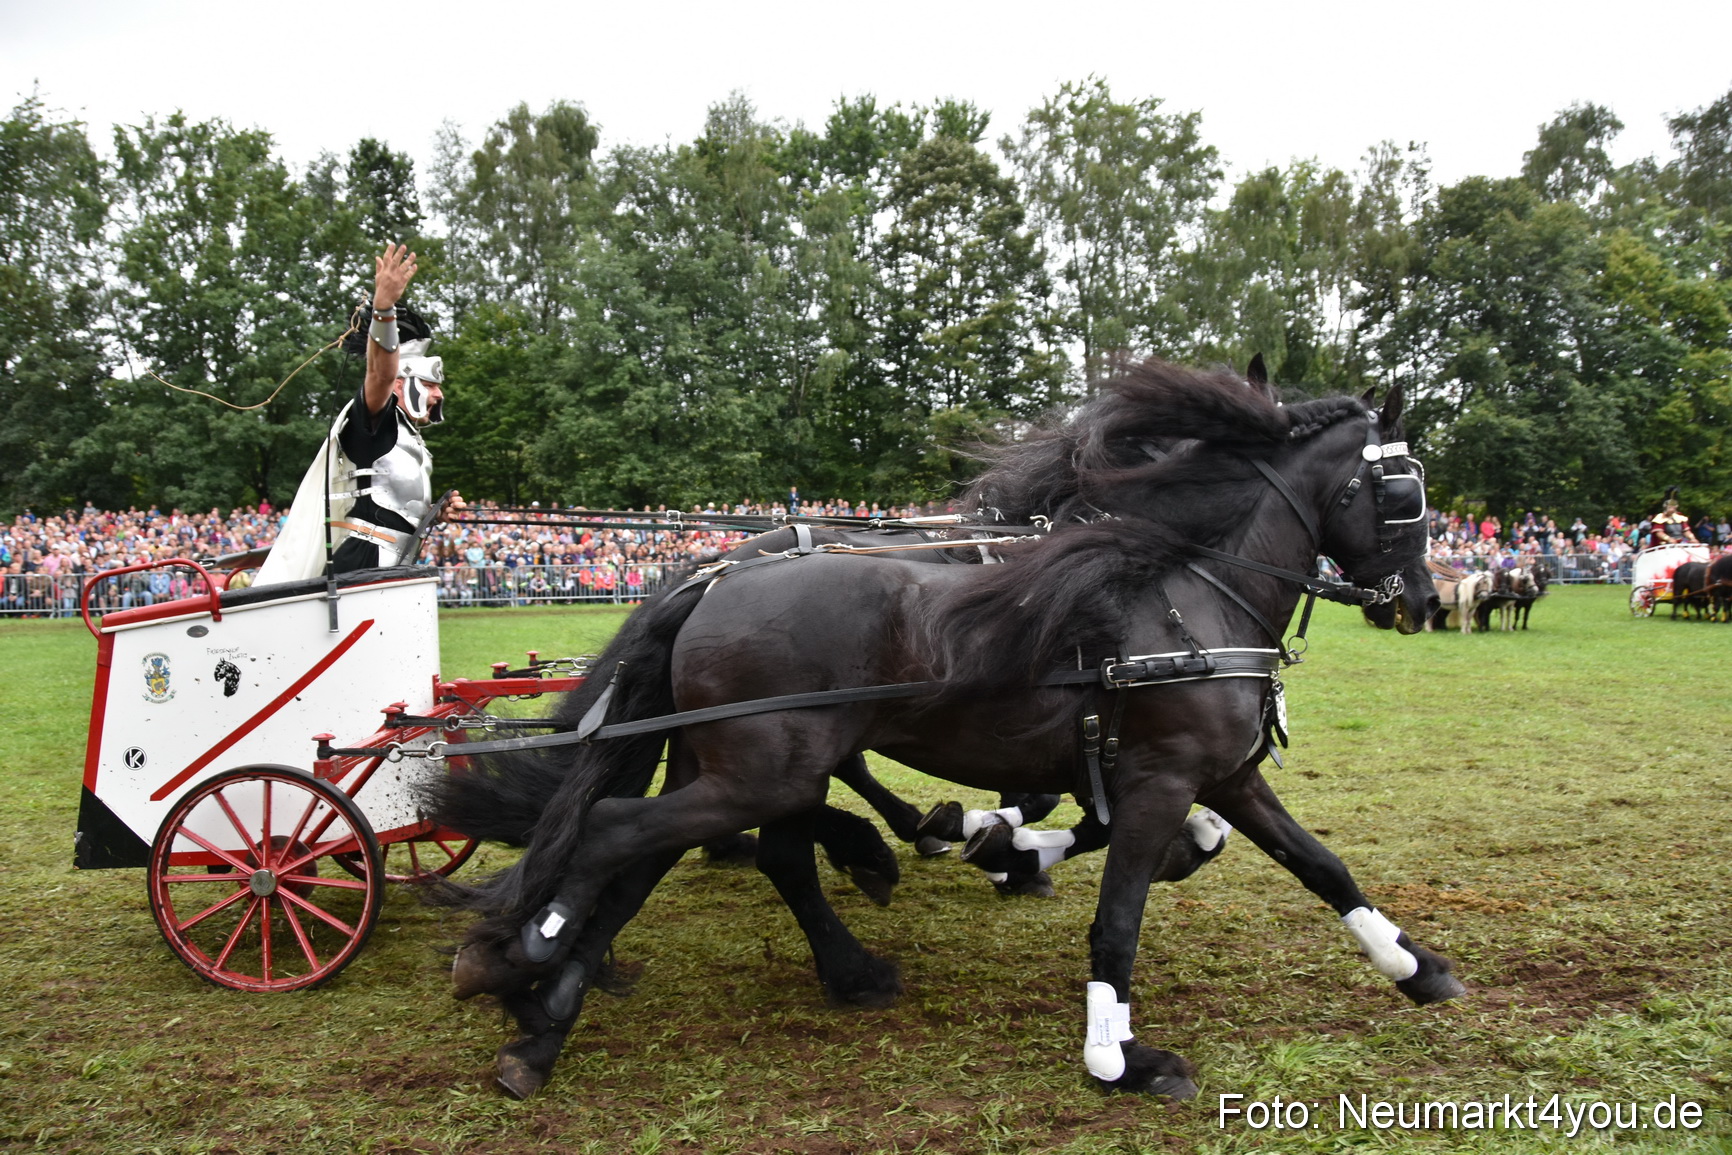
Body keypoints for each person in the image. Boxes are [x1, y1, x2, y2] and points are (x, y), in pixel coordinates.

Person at [256, 244, 464, 585]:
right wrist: (384, 308)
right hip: (365, 562)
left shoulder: (406, 434)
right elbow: (379, 374)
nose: (438, 394)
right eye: (429, 383)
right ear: (401, 383)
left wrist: (432, 514)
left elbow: (390, 507)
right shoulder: (373, 418)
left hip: (393, 564)